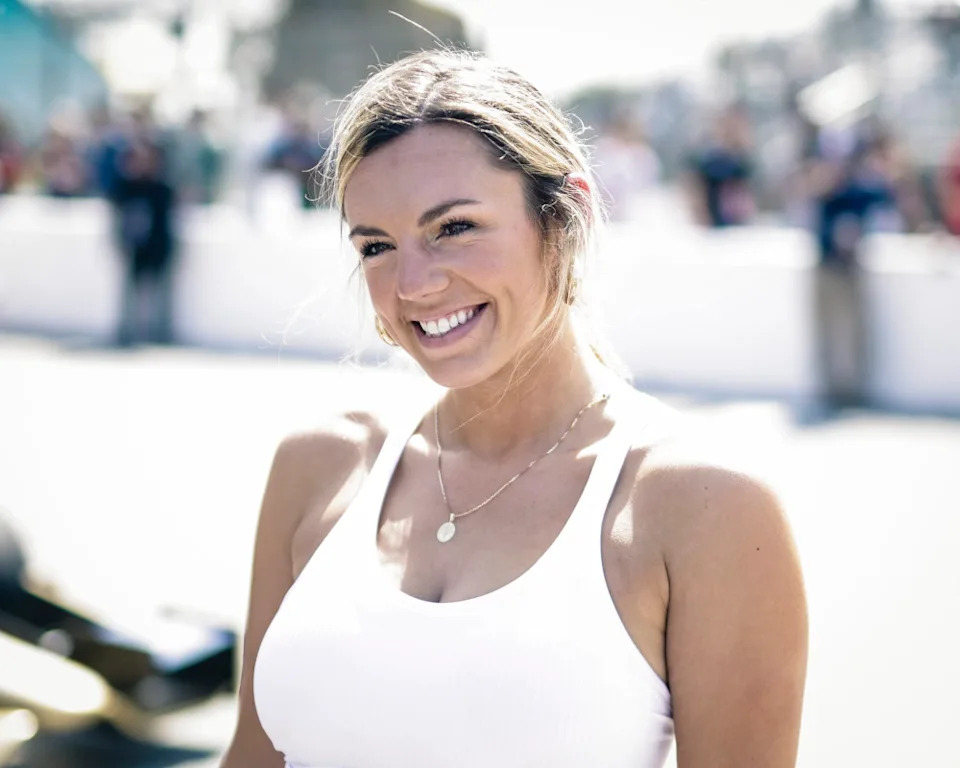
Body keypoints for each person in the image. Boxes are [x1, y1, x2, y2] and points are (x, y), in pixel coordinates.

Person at [221, 50, 807, 768]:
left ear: (566, 215)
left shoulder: (704, 507)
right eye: (376, 245)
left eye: (455, 227)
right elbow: (253, 756)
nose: (412, 284)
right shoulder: (319, 464)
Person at [110, 139, 178, 346]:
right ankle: (126, 331)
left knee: (161, 294)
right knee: (129, 294)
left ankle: (161, 332)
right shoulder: (125, 186)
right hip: (133, 248)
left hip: (158, 248)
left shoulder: (162, 188)